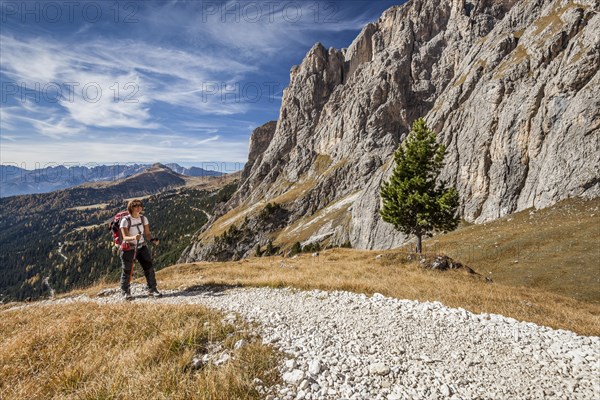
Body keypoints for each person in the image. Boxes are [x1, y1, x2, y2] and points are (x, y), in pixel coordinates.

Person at [120, 199, 161, 299]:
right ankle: (125, 292)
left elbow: (147, 234)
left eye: (140, 205)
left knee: (149, 267)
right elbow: (124, 237)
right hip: (128, 248)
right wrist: (134, 238)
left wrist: (152, 240)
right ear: (130, 207)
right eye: (135, 205)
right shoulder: (125, 220)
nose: (138, 207)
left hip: (141, 246)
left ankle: (152, 289)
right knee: (127, 270)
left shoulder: (143, 219)